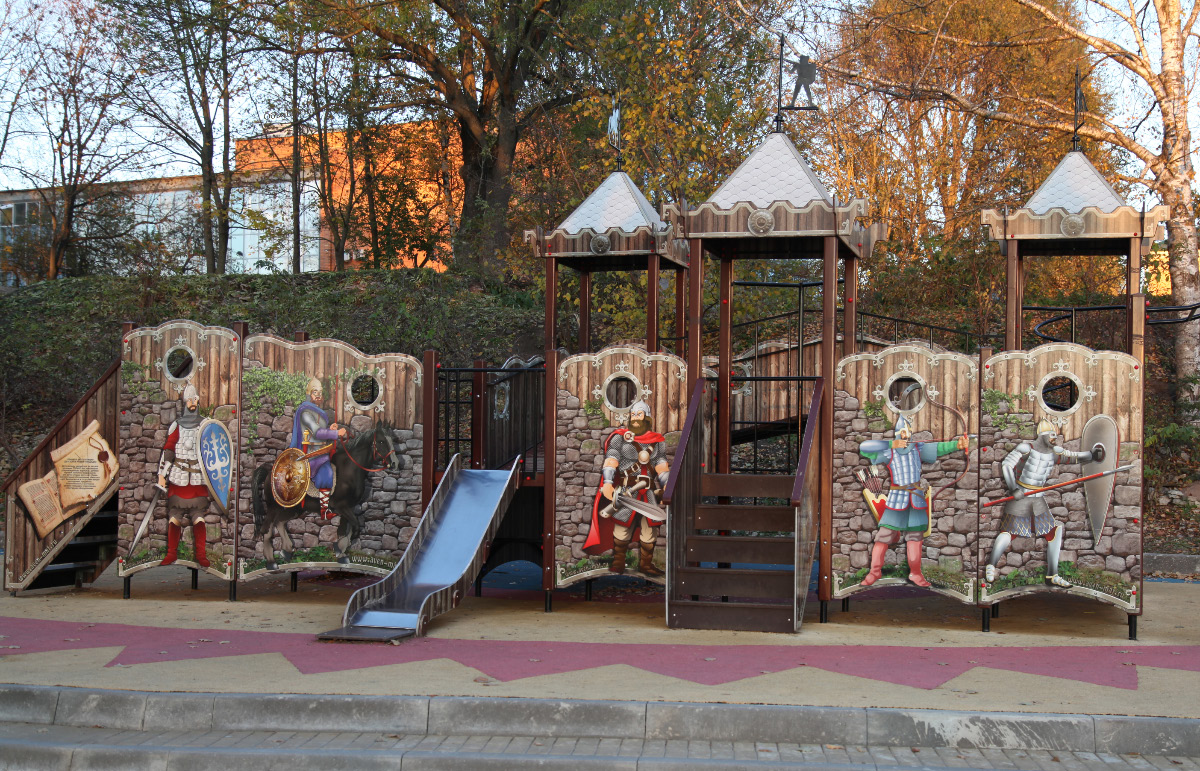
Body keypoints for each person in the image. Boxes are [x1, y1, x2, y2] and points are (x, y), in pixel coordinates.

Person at [986, 419, 1103, 588]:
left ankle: (1052, 574)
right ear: (1043, 435)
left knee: (1055, 531)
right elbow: (1006, 465)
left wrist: (1091, 455)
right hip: (1022, 494)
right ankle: (991, 565)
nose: (1054, 439)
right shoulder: (1027, 449)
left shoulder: (1054, 452)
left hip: (1038, 497)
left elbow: (1073, 458)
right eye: (1052, 435)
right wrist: (1013, 488)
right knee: (1008, 532)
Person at [857, 414, 968, 587]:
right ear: (896, 433)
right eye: (902, 431)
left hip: (915, 498)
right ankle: (874, 572)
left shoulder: (918, 448)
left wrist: (957, 444)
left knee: (915, 538)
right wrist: (890, 444)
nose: (906, 434)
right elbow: (864, 448)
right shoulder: (890, 450)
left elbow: (939, 448)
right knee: (883, 536)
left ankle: (915, 573)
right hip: (896, 499)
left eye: (908, 431)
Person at [583, 400, 670, 576]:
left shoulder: (657, 441)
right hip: (627, 490)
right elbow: (611, 460)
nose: (636, 418)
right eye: (633, 415)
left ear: (647, 418)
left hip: (649, 492)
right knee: (622, 526)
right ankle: (618, 561)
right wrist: (608, 482)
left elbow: (661, 463)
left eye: (639, 415)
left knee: (649, 529)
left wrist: (666, 484)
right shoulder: (620, 438)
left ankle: (646, 564)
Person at [157, 384, 212, 567]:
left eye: (194, 399)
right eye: (189, 400)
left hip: (197, 479)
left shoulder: (205, 425)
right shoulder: (177, 426)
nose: (192, 403)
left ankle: (201, 555)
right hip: (179, 478)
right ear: (185, 402)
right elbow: (169, 451)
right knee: (174, 517)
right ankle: (171, 553)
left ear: (198, 400)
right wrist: (162, 475)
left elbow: (212, 452)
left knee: (199, 518)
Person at [291, 377, 347, 519]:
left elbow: (320, 432)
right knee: (326, 472)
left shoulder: (317, 412)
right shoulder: (305, 412)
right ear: (309, 393)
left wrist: (330, 428)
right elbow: (316, 432)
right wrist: (335, 433)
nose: (319, 396)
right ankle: (324, 511)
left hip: (322, 450)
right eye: (316, 393)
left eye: (320, 393)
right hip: (310, 453)